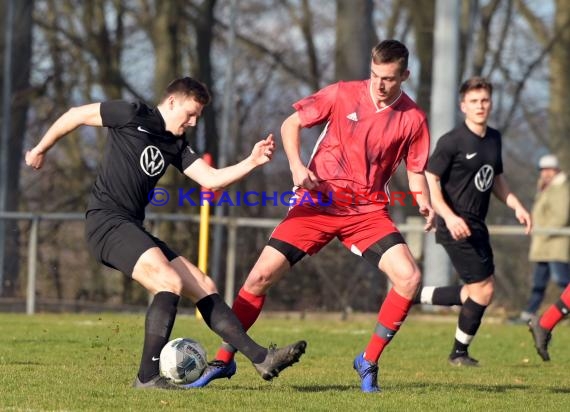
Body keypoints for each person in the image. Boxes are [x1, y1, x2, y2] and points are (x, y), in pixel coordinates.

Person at [25, 77, 306, 389]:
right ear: (172, 102)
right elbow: (76, 114)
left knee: (202, 284)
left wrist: (252, 161)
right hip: (105, 223)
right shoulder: (132, 113)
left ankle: (260, 358)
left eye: (198, 116)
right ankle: (147, 377)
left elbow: (211, 180)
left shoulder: (175, 144)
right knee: (169, 282)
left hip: (130, 225)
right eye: (190, 113)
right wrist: (41, 149)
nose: (193, 121)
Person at [188, 39, 434, 393]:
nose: (380, 85)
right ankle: (223, 362)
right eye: (376, 75)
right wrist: (296, 165)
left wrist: (423, 201)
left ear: (405, 76)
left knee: (409, 278)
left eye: (390, 79)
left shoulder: (413, 118)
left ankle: (368, 360)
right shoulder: (342, 93)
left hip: (366, 211)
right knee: (259, 278)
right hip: (317, 200)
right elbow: (291, 124)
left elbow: (415, 172)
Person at [412, 76, 532, 367]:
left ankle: (412, 295)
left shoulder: (494, 138)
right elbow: (432, 179)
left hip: (477, 223)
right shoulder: (452, 141)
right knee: (484, 289)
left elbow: (496, 179)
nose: (480, 106)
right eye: (474, 101)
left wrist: (516, 204)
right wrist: (449, 216)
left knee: (475, 291)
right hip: (454, 225)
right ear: (463, 105)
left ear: (490, 103)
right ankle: (458, 353)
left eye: (485, 100)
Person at [509, 154, 570, 324]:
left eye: (549, 169)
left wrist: (542, 231)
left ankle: (535, 314)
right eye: (543, 170)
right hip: (544, 245)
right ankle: (529, 314)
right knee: (539, 283)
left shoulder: (561, 188)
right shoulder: (546, 188)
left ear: (556, 170)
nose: (545, 173)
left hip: (555, 244)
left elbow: (561, 216)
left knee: (564, 281)